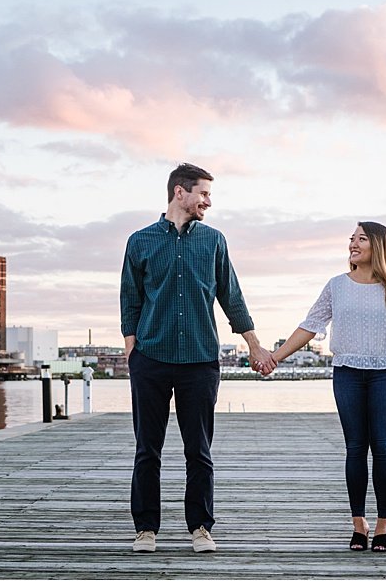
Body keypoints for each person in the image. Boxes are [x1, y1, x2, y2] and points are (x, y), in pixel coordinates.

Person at [120, 162, 273, 554]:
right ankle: (145, 529)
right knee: (146, 450)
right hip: (151, 359)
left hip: (201, 360)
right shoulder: (140, 241)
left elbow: (232, 297)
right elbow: (130, 299)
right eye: (203, 193)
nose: (209, 201)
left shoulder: (214, 241)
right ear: (179, 193)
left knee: (199, 451)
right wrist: (132, 351)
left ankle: (200, 527)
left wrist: (255, 345)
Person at [266, 221, 386, 553]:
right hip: (347, 373)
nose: (353, 244)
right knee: (354, 448)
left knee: (382, 448)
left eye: (361, 239)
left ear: (378, 246)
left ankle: (382, 524)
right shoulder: (337, 286)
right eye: (351, 239)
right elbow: (310, 326)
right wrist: (275, 357)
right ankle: (358, 524)